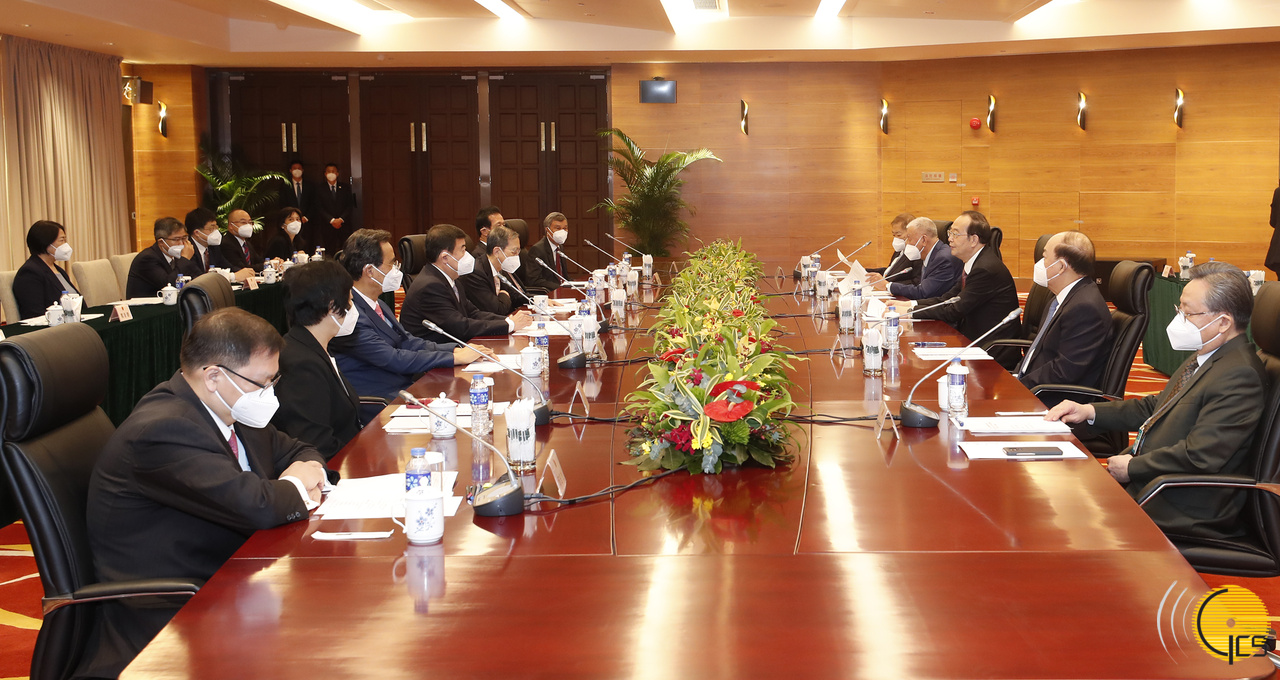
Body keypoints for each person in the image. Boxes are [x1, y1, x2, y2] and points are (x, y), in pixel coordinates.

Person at [83, 308, 327, 676]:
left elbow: (300, 450)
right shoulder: (165, 429)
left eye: (274, 381)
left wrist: (306, 471)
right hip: (173, 613)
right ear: (214, 376)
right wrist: (295, 483)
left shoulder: (231, 408)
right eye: (263, 383)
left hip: (232, 575)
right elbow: (257, 506)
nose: (270, 394)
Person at [1046, 262, 1266, 540]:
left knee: (1061, 522)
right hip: (1155, 483)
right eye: (1179, 309)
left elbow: (1201, 456)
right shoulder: (1209, 354)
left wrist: (1133, 468)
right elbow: (1157, 407)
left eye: (1188, 313)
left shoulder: (1240, 374)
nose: (1179, 320)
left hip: (1179, 503)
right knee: (1056, 496)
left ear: (1223, 322)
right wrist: (1088, 411)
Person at [329, 229, 485, 409]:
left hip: (403, 389)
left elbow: (407, 341)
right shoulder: (349, 313)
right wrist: (452, 358)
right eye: (391, 264)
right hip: (378, 401)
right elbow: (392, 358)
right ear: (370, 271)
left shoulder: (378, 303)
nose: (397, 269)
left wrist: (457, 349)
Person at [901, 210, 1021, 369]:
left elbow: (954, 310)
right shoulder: (974, 263)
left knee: (924, 364)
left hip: (991, 351)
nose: (949, 239)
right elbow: (947, 299)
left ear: (974, 240)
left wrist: (910, 312)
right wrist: (909, 305)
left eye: (955, 234)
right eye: (950, 233)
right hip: (971, 341)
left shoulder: (985, 269)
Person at [272, 260, 362, 460]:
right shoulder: (300, 364)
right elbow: (317, 444)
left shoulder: (314, 346)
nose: (352, 307)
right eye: (349, 299)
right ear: (332, 306)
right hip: (336, 466)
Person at [1015, 231, 1113, 397]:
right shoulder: (1060, 299)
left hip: (1054, 400)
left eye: (1044, 257)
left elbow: (1063, 371)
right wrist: (1015, 378)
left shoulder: (1085, 308)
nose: (1040, 264)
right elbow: (1038, 354)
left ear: (1061, 267)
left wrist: (1018, 387)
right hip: (1036, 388)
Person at [401, 223, 532, 343]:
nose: (467, 255)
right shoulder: (430, 286)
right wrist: (509, 325)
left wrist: (508, 320)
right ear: (445, 257)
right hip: (436, 353)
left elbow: (473, 313)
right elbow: (460, 326)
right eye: (463, 250)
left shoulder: (452, 280)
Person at [870, 216, 960, 299]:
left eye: (909, 239)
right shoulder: (932, 254)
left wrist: (887, 286)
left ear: (923, 240)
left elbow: (923, 292)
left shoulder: (943, 259)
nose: (906, 243)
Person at [13, 220, 79, 320]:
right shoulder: (29, 273)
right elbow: (35, 314)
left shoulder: (59, 270)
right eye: (61, 240)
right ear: (46, 243)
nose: (65, 245)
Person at [125, 216, 203, 297]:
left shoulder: (177, 255)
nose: (181, 243)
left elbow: (199, 277)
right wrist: (185, 259)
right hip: (148, 303)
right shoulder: (147, 259)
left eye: (184, 238)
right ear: (161, 242)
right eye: (176, 239)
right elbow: (169, 285)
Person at [460, 224, 525, 315]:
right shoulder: (476, 273)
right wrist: (504, 294)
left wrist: (538, 299)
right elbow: (497, 310)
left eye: (518, 251)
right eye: (514, 251)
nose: (517, 256)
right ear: (497, 252)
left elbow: (515, 297)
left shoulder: (502, 266)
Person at [185, 208, 253, 281]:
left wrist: (244, 272)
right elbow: (199, 277)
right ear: (197, 233)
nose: (216, 232)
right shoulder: (188, 249)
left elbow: (228, 266)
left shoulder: (213, 247)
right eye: (211, 228)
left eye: (216, 227)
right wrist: (232, 276)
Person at [867, 212, 920, 285]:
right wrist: (866, 271)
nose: (896, 238)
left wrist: (889, 285)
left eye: (899, 235)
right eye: (894, 235)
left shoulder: (916, 254)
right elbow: (890, 272)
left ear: (911, 233)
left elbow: (916, 282)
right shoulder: (898, 251)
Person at [315, 162, 356, 254]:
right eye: (329, 171)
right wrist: (332, 220)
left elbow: (349, 205)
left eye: (333, 171)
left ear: (337, 173)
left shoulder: (345, 187)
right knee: (330, 251)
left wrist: (341, 219)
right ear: (325, 174)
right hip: (327, 225)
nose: (331, 173)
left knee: (346, 249)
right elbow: (319, 207)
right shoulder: (320, 188)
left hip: (344, 225)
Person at [523, 211, 570, 292]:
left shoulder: (560, 248)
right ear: (547, 230)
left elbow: (564, 276)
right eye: (558, 228)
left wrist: (575, 285)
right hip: (548, 293)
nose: (562, 232)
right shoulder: (537, 250)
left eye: (565, 228)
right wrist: (560, 287)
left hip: (561, 291)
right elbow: (534, 280)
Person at [279, 159, 312, 238]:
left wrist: (306, 217)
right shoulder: (285, 186)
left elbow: (313, 203)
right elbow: (282, 203)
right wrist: (292, 218)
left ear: (302, 170)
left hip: (307, 223)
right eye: (294, 168)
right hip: (291, 223)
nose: (297, 170)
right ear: (290, 170)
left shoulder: (309, 185)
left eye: (299, 168)